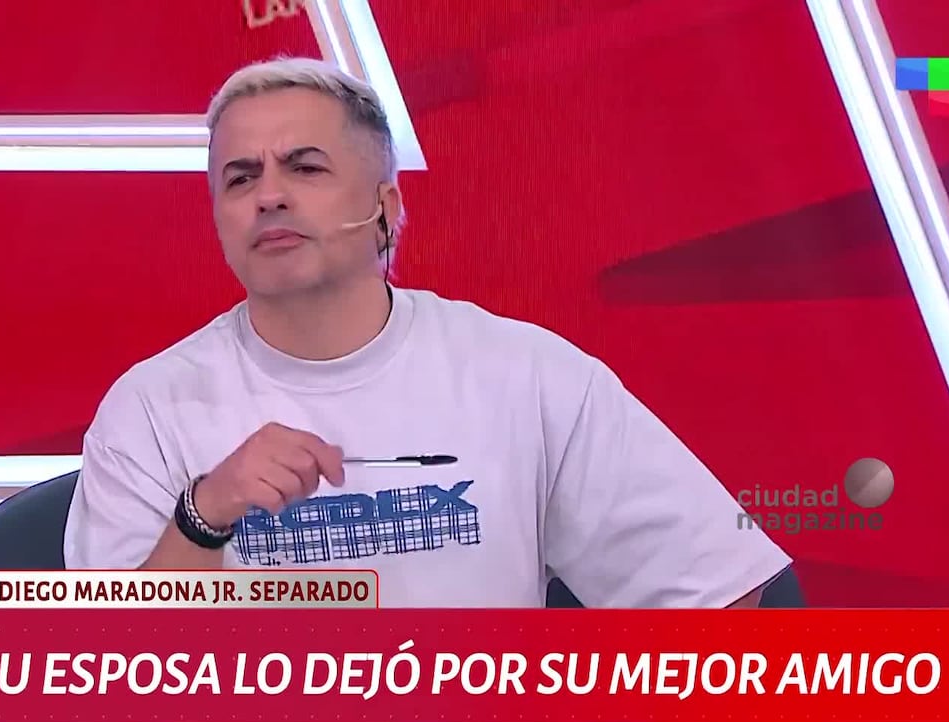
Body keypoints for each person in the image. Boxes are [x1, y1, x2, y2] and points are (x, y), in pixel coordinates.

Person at [62, 56, 791, 608]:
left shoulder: (526, 375)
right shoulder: (151, 408)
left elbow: (719, 596)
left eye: (305, 167)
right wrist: (204, 515)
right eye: (240, 178)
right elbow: (106, 694)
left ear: (384, 207)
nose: (270, 195)